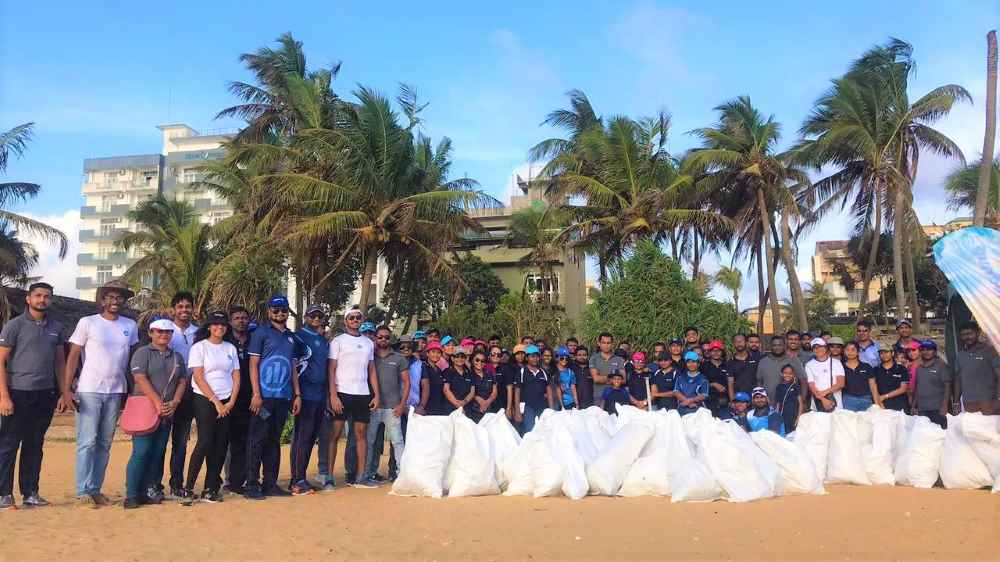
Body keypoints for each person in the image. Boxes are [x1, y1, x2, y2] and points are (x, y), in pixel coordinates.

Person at [62, 279, 139, 508]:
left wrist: (134, 390)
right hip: (89, 389)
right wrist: (67, 390)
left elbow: (132, 360)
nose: (116, 301)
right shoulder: (88, 322)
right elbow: (73, 356)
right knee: (87, 441)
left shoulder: (130, 325)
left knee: (105, 442)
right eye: (111, 297)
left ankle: (95, 489)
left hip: (116, 390)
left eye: (120, 297)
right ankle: (82, 491)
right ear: (103, 300)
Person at [0, 282, 66, 509]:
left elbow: (60, 362)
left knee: (34, 445)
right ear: (29, 298)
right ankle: (4, 495)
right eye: (38, 295)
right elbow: (0, 361)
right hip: (17, 392)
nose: (42, 300)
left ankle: (30, 493)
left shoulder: (56, 327)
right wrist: (3, 396)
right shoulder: (14, 326)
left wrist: (64, 393)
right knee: (8, 444)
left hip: (44, 394)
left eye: (47, 296)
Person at [123, 318, 188, 509]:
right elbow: (140, 378)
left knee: (157, 452)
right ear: (151, 333)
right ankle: (132, 493)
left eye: (167, 332)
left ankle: (146, 491)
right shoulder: (143, 353)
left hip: (167, 409)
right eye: (159, 331)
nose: (163, 335)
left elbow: (182, 380)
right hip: (145, 407)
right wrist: (157, 402)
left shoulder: (176, 357)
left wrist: (175, 402)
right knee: (141, 452)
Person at [245, 295, 302, 499]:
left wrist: (297, 394)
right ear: (269, 312)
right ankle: (251, 484)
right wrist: (256, 393)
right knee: (257, 440)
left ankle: (270, 483)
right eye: (276, 310)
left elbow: (294, 368)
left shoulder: (291, 337)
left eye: (283, 310)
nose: (280, 313)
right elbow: (253, 365)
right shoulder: (260, 333)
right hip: (264, 397)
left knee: (274, 441)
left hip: (283, 396)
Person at [183, 311, 240, 506]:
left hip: (227, 399)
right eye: (215, 324)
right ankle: (188, 488)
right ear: (208, 327)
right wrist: (215, 401)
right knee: (205, 441)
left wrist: (231, 401)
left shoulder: (230, 348)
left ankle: (211, 488)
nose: (220, 327)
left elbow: (236, 376)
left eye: (223, 324)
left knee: (221, 444)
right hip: (204, 399)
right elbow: (198, 376)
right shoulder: (200, 347)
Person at [327, 309, 380, 490]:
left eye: (358, 317)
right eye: (352, 318)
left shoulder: (368, 343)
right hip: (342, 393)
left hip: (362, 394)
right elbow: (331, 369)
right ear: (346, 321)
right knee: (334, 435)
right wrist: (333, 395)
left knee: (360, 436)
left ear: (362, 320)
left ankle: (361, 477)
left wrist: (376, 394)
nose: (355, 320)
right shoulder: (338, 341)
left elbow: (371, 370)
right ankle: (328, 477)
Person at [289, 305, 330, 495]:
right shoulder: (299, 338)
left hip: (320, 394)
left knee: (311, 437)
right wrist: (297, 394)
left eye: (319, 316)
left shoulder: (322, 339)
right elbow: (294, 366)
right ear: (305, 317)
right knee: (302, 437)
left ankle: (302, 477)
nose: (316, 318)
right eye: (313, 315)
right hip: (305, 393)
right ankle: (296, 480)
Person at [362, 326, 408, 485]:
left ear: (390, 339)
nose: (383, 340)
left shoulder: (399, 358)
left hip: (392, 408)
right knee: (370, 442)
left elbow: (407, 383)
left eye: (386, 337)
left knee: (397, 442)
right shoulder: (369, 357)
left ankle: (402, 474)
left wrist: (402, 404)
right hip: (373, 407)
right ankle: (367, 474)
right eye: (380, 337)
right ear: (375, 338)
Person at [164, 291, 198, 501]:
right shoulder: (166, 330)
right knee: (159, 441)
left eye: (188, 306)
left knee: (181, 441)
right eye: (180, 307)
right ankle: (153, 483)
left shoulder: (199, 332)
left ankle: (177, 483)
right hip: (167, 392)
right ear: (173, 309)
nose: (184, 310)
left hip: (192, 391)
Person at [224, 306, 253, 495]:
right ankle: (229, 481)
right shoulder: (225, 342)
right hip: (228, 396)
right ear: (230, 321)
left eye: (244, 317)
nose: (241, 321)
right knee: (228, 441)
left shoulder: (254, 340)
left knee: (246, 440)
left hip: (251, 396)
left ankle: (242, 480)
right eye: (236, 318)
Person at [955, 322, 1000, 415]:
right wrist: (956, 402)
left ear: (978, 333)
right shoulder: (960, 355)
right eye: (963, 335)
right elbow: (958, 379)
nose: (967, 337)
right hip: (968, 402)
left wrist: (999, 398)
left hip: (989, 401)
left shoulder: (990, 351)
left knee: (990, 429)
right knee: (973, 429)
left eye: (970, 333)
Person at [911, 340, 951, 428]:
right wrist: (914, 406)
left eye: (929, 349)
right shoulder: (919, 368)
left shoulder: (941, 366)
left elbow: (947, 386)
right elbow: (918, 388)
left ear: (935, 351)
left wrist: (944, 406)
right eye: (923, 350)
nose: (926, 352)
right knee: (925, 436)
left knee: (940, 435)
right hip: (922, 409)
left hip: (937, 409)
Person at [757, 335, 806, 408]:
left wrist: (802, 400)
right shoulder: (763, 362)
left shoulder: (794, 360)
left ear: (784, 346)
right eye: (774, 345)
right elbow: (759, 382)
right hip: (768, 405)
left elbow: (803, 381)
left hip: (790, 405)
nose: (777, 347)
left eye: (780, 345)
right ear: (771, 346)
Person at [515, 345, 551, 432]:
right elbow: (517, 392)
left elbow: (549, 391)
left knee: (543, 432)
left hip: (542, 407)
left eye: (537, 356)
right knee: (530, 431)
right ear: (527, 358)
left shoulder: (543, 372)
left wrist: (551, 410)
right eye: (532, 356)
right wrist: (517, 411)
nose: (535, 359)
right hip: (528, 407)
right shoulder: (522, 372)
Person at [805, 337, 843, 412]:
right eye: (815, 348)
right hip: (818, 403)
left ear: (825, 348)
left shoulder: (836, 363)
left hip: (835, 403)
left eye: (820, 346)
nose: (818, 349)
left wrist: (823, 393)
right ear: (812, 350)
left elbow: (841, 384)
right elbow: (811, 386)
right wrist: (823, 399)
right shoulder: (809, 365)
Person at [590, 332, 624, 408]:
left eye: (608, 343)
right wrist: (615, 378)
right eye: (603, 343)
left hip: (616, 396)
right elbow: (596, 379)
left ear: (612, 344)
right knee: (600, 419)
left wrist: (603, 378)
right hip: (599, 397)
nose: (606, 345)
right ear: (599, 343)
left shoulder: (619, 360)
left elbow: (623, 379)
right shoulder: (593, 359)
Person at [840, 341, 877, 412]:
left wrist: (876, 403)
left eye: (853, 349)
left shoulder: (866, 366)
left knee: (866, 422)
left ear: (858, 352)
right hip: (848, 400)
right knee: (850, 422)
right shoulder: (840, 367)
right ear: (844, 351)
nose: (850, 352)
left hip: (866, 399)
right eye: (847, 350)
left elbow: (873, 386)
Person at [873, 342, 909, 412]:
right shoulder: (875, 370)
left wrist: (885, 396)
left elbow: (903, 389)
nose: (884, 355)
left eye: (886, 352)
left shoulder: (901, 369)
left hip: (900, 406)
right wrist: (878, 402)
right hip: (883, 406)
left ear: (892, 353)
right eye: (881, 353)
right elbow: (873, 387)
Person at [673, 352, 709, 416]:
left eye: (693, 362)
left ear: (698, 364)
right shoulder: (680, 377)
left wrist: (690, 401)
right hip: (682, 408)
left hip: (698, 409)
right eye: (688, 362)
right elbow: (676, 392)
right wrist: (688, 402)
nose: (691, 364)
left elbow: (704, 395)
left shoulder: (703, 379)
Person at [725, 334, 759, 401]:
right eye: (736, 342)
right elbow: (730, 383)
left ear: (746, 343)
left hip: (755, 397)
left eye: (741, 341)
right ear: (733, 344)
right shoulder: (730, 363)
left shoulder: (756, 358)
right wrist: (732, 401)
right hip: (739, 399)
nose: (739, 344)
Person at [443, 348, 474, 414]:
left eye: (462, 357)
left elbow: (472, 391)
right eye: (457, 356)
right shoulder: (447, 371)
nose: (460, 359)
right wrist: (458, 405)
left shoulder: (469, 373)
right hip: (451, 409)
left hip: (467, 408)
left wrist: (464, 402)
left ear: (465, 359)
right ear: (452, 358)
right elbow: (446, 390)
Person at [702, 340, 729, 417]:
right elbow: (700, 384)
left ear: (722, 352)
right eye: (713, 351)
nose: (716, 353)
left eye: (718, 351)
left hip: (725, 400)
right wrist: (713, 384)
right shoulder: (704, 366)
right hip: (709, 401)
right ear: (709, 352)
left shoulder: (727, 365)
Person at [469, 351, 497, 421]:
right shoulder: (468, 375)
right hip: (473, 411)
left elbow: (495, 392)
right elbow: (469, 392)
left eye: (482, 361)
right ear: (472, 360)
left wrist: (486, 403)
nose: (480, 363)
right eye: (477, 360)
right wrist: (481, 401)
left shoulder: (490, 374)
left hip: (490, 409)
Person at [420, 342, 447, 415]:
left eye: (438, 353)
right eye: (433, 352)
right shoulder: (422, 366)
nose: (436, 355)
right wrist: (421, 407)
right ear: (427, 353)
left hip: (438, 408)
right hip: (426, 408)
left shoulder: (439, 370)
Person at [775, 364, 803, 433]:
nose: (787, 375)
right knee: (783, 433)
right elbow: (778, 404)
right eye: (785, 373)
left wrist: (798, 418)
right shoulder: (779, 387)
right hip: (782, 415)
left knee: (792, 434)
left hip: (793, 416)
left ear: (793, 375)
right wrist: (777, 416)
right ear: (781, 374)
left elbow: (801, 403)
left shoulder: (796, 386)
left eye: (790, 373)